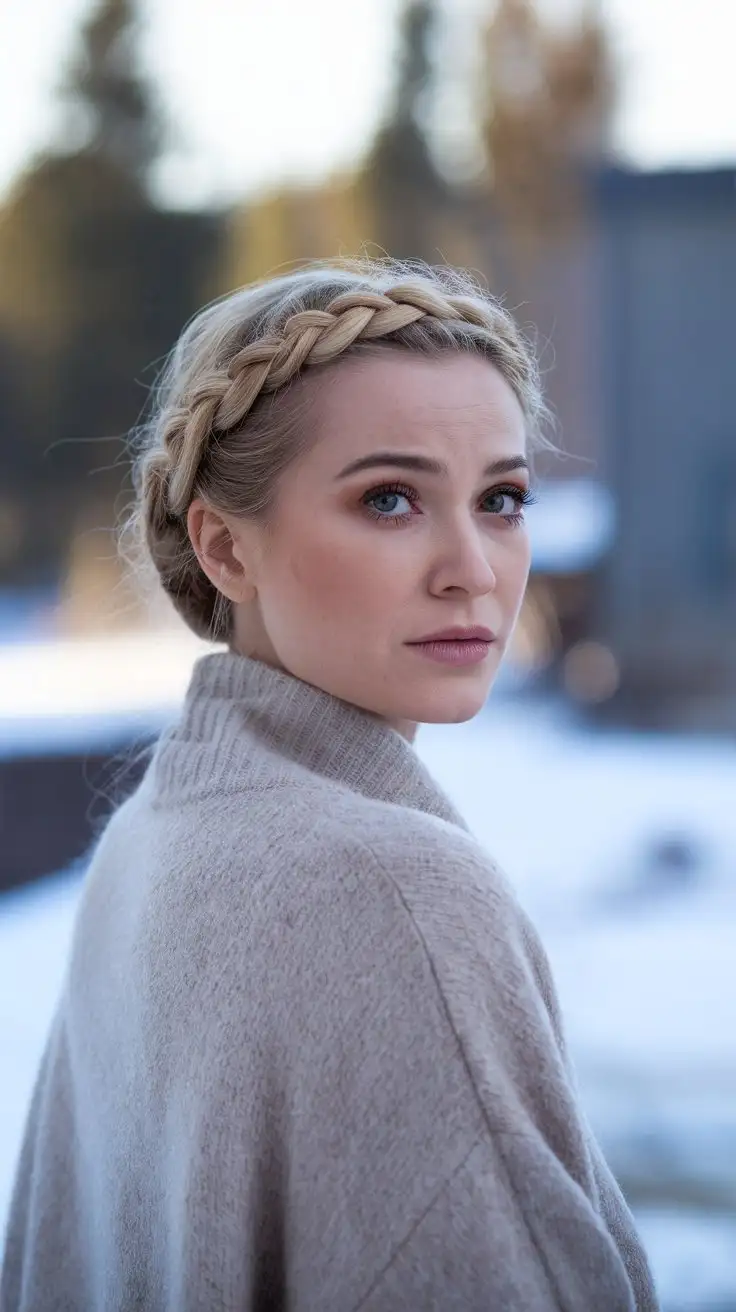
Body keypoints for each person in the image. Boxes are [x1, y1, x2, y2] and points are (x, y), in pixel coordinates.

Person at [0, 258, 659, 1311]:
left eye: (501, 499)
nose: (473, 568)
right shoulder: (396, 894)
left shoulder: (148, 836)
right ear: (223, 545)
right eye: (389, 499)